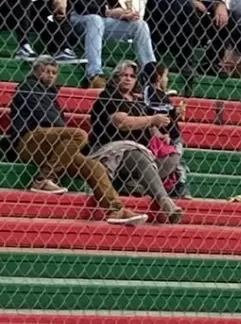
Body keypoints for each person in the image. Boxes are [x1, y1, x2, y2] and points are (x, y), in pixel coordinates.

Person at [9, 56, 145, 224]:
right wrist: (72, 135)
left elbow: (56, 123)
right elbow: (48, 117)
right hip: (28, 141)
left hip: (53, 147)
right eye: (46, 71)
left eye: (54, 72)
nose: (51, 75)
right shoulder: (28, 88)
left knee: (94, 167)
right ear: (36, 71)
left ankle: (116, 210)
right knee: (78, 134)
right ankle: (43, 179)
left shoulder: (51, 94)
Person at [87, 60, 184, 223]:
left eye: (132, 76)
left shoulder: (137, 100)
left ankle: (134, 184)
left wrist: (159, 134)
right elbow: (121, 122)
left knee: (173, 156)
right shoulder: (109, 96)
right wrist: (152, 119)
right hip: (112, 149)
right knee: (137, 154)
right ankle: (165, 201)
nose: (128, 79)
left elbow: (147, 125)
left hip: (140, 151)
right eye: (124, 75)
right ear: (116, 77)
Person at [70, 0, 158, 89]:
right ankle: (94, 74)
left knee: (140, 25)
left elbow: (115, 5)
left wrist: (124, 14)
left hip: (101, 21)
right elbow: (81, 7)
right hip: (78, 18)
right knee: (95, 19)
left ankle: (151, 74)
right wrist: (109, 12)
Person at [143, 0, 229, 79]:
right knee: (188, 8)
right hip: (163, 24)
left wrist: (219, 4)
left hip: (193, 27)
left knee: (227, 15)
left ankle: (209, 63)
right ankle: (184, 63)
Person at [10, 0, 79, 60]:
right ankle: (23, 46)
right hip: (10, 10)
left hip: (33, 13)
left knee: (62, 1)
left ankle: (62, 48)